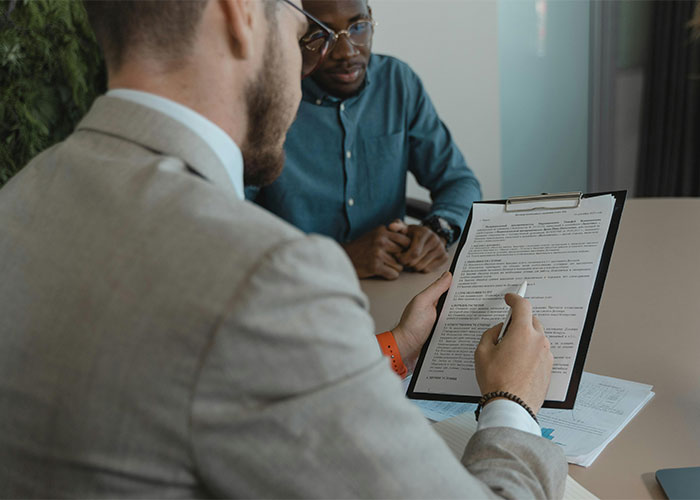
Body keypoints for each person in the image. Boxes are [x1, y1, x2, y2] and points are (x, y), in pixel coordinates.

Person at [0, 0, 566, 497]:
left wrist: (398, 346)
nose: (314, 57)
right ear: (239, 14)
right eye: (302, 32)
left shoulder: (20, 198)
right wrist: (512, 403)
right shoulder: (265, 276)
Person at [247, 0, 482, 280]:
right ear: (294, 32)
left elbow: (459, 181)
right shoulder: (265, 100)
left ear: (371, 19)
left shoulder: (398, 82)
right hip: (298, 286)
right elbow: (230, 225)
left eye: (358, 27)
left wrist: (438, 228)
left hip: (393, 281)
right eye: (321, 33)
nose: (347, 52)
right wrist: (340, 257)